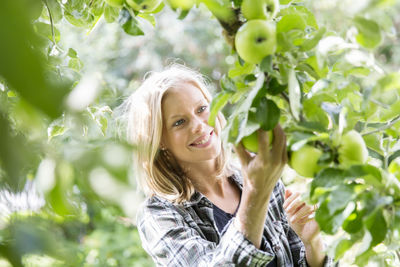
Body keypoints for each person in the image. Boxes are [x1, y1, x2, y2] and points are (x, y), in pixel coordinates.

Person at [124, 63, 334, 266]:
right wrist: (256, 192)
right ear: (159, 140)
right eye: (179, 122)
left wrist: (312, 242)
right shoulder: (159, 215)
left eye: (202, 109)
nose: (199, 125)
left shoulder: (256, 179)